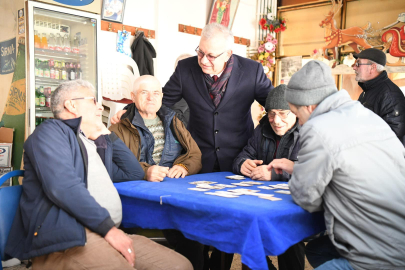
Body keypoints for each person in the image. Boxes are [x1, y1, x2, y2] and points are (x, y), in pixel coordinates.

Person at [111, 22, 273, 270]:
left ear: (229, 54)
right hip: (201, 158)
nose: (203, 60)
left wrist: (260, 142)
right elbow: (161, 99)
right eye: (200, 52)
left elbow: (275, 108)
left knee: (230, 220)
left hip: (239, 158)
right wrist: (128, 111)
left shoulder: (252, 70)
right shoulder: (186, 69)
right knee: (199, 220)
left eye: (211, 55)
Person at [5, 80, 193, 270]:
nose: (100, 106)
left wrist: (108, 135)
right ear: (71, 105)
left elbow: (134, 172)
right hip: (69, 241)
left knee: (180, 265)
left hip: (105, 233)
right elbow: (63, 186)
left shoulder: (90, 142)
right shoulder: (50, 132)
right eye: (93, 100)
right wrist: (108, 229)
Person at [269, 60, 405, 270]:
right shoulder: (366, 115)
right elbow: (351, 169)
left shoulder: (318, 128)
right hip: (397, 234)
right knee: (316, 249)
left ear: (310, 106)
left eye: (297, 115)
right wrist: (297, 167)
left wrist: (301, 174)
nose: (301, 123)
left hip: (379, 253)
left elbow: (307, 199)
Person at [232, 84, 304, 270]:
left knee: (289, 236)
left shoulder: (308, 132)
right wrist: (242, 165)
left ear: (295, 111)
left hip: (293, 204)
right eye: (271, 113)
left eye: (282, 113)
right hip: (260, 202)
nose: (276, 120)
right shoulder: (262, 128)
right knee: (250, 233)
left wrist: (272, 174)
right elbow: (242, 155)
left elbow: (311, 170)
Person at [109, 75, 202, 181]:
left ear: (162, 96)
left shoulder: (174, 122)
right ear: (133, 97)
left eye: (156, 93)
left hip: (174, 184)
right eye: (144, 92)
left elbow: (195, 154)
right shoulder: (118, 128)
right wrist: (145, 172)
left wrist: (184, 167)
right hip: (139, 188)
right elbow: (110, 165)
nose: (150, 98)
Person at [353, 48, 405, 144]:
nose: (354, 67)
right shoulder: (368, 90)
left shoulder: (390, 94)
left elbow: (394, 136)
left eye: (358, 64)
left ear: (372, 68)